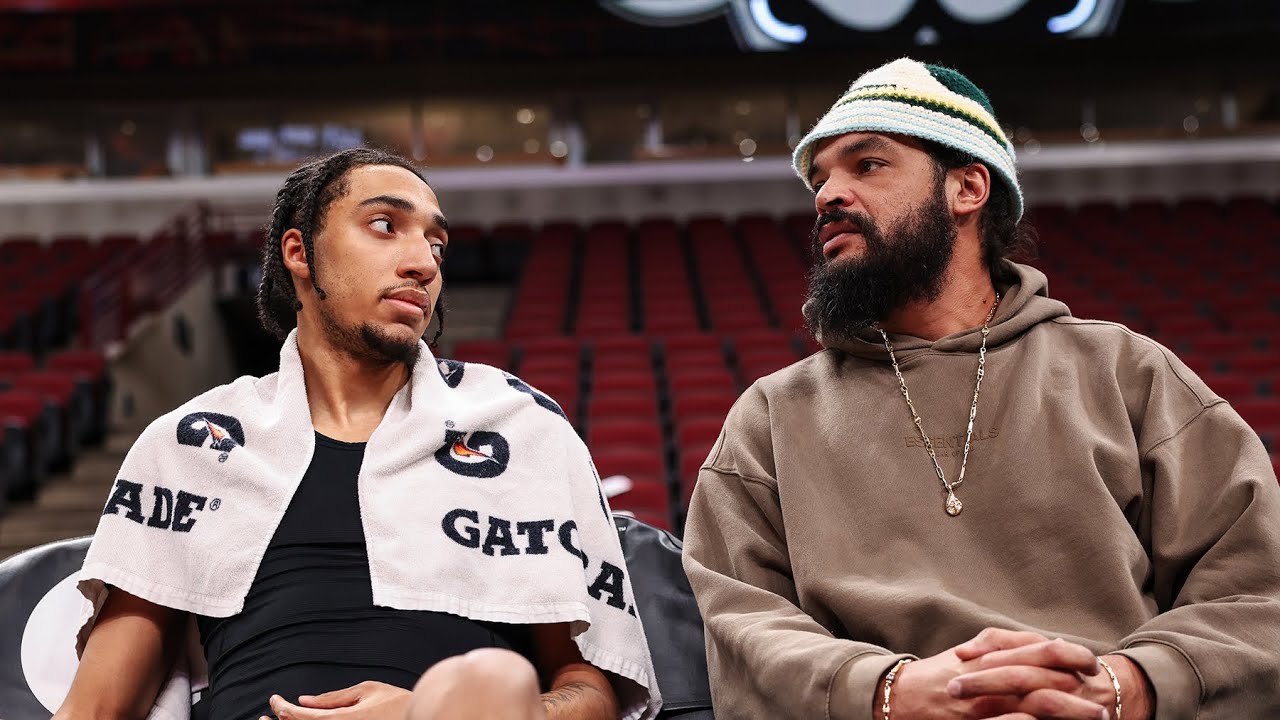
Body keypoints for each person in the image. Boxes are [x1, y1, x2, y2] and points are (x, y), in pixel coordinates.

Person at [682, 57, 1280, 720]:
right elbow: (741, 627)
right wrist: (889, 693)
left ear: (967, 187)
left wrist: (1126, 685)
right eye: (819, 179)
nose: (827, 196)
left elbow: (1257, 597)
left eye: (867, 165)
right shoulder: (770, 416)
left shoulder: (1125, 372)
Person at [55, 147, 660, 720]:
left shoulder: (520, 428)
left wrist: (431, 713)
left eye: (436, 244)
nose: (423, 262)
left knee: (490, 682)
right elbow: (97, 708)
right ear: (299, 251)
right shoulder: (192, 445)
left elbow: (590, 696)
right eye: (383, 225)